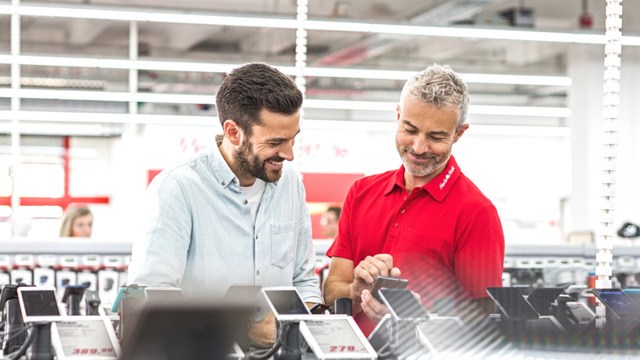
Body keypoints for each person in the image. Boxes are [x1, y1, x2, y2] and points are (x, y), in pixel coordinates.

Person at [128, 63, 322, 345]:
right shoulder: (178, 188)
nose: (289, 154)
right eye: (276, 142)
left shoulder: (290, 183)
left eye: (294, 139)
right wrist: (245, 330)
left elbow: (302, 281)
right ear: (233, 133)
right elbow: (153, 300)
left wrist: (314, 319)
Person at [323, 64, 505, 336]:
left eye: (436, 136)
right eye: (410, 129)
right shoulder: (361, 192)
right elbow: (331, 292)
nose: (419, 147)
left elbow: (483, 322)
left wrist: (421, 320)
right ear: (398, 117)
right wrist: (354, 291)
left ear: (458, 134)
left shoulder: (476, 211)